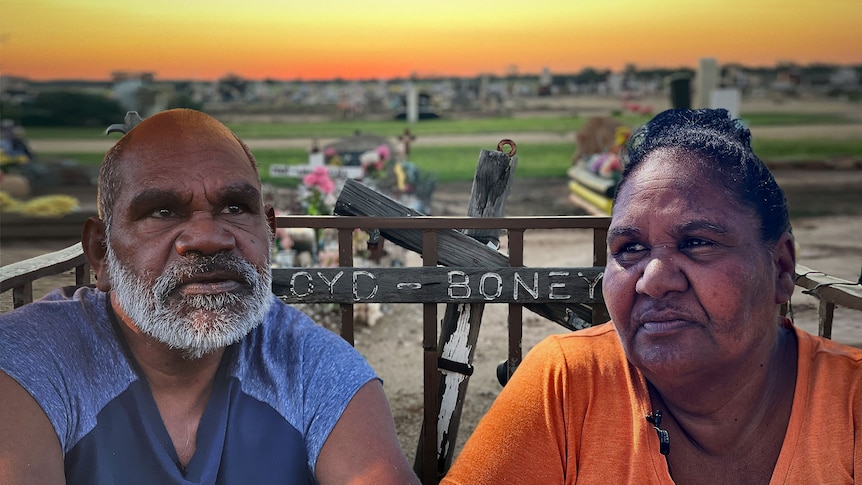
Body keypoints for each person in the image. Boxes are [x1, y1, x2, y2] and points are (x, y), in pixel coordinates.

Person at [442, 108, 862, 484]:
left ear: (782, 268)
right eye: (631, 249)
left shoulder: (850, 404)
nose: (653, 280)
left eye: (697, 242)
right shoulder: (567, 383)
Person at [0, 109, 419, 485]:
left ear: (268, 233)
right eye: (162, 211)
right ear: (100, 253)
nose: (208, 238)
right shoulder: (29, 362)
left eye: (235, 208)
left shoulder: (316, 369)